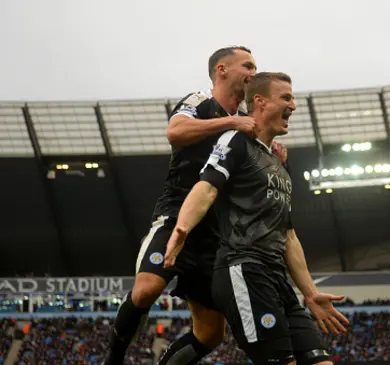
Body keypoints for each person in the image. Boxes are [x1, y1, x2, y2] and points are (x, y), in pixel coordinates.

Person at [101, 46, 289, 365]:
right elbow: (175, 131)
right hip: (176, 216)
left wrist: (272, 156)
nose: (254, 73)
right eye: (248, 65)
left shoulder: (247, 124)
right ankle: (113, 359)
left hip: (216, 234)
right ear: (222, 69)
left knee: (210, 334)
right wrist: (231, 123)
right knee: (146, 290)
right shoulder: (201, 101)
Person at [164, 72, 350, 365]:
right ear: (260, 102)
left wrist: (311, 294)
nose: (294, 105)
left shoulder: (280, 166)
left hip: (278, 279)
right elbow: (207, 187)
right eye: (286, 97)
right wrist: (182, 228)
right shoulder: (235, 141)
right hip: (243, 270)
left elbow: (288, 235)